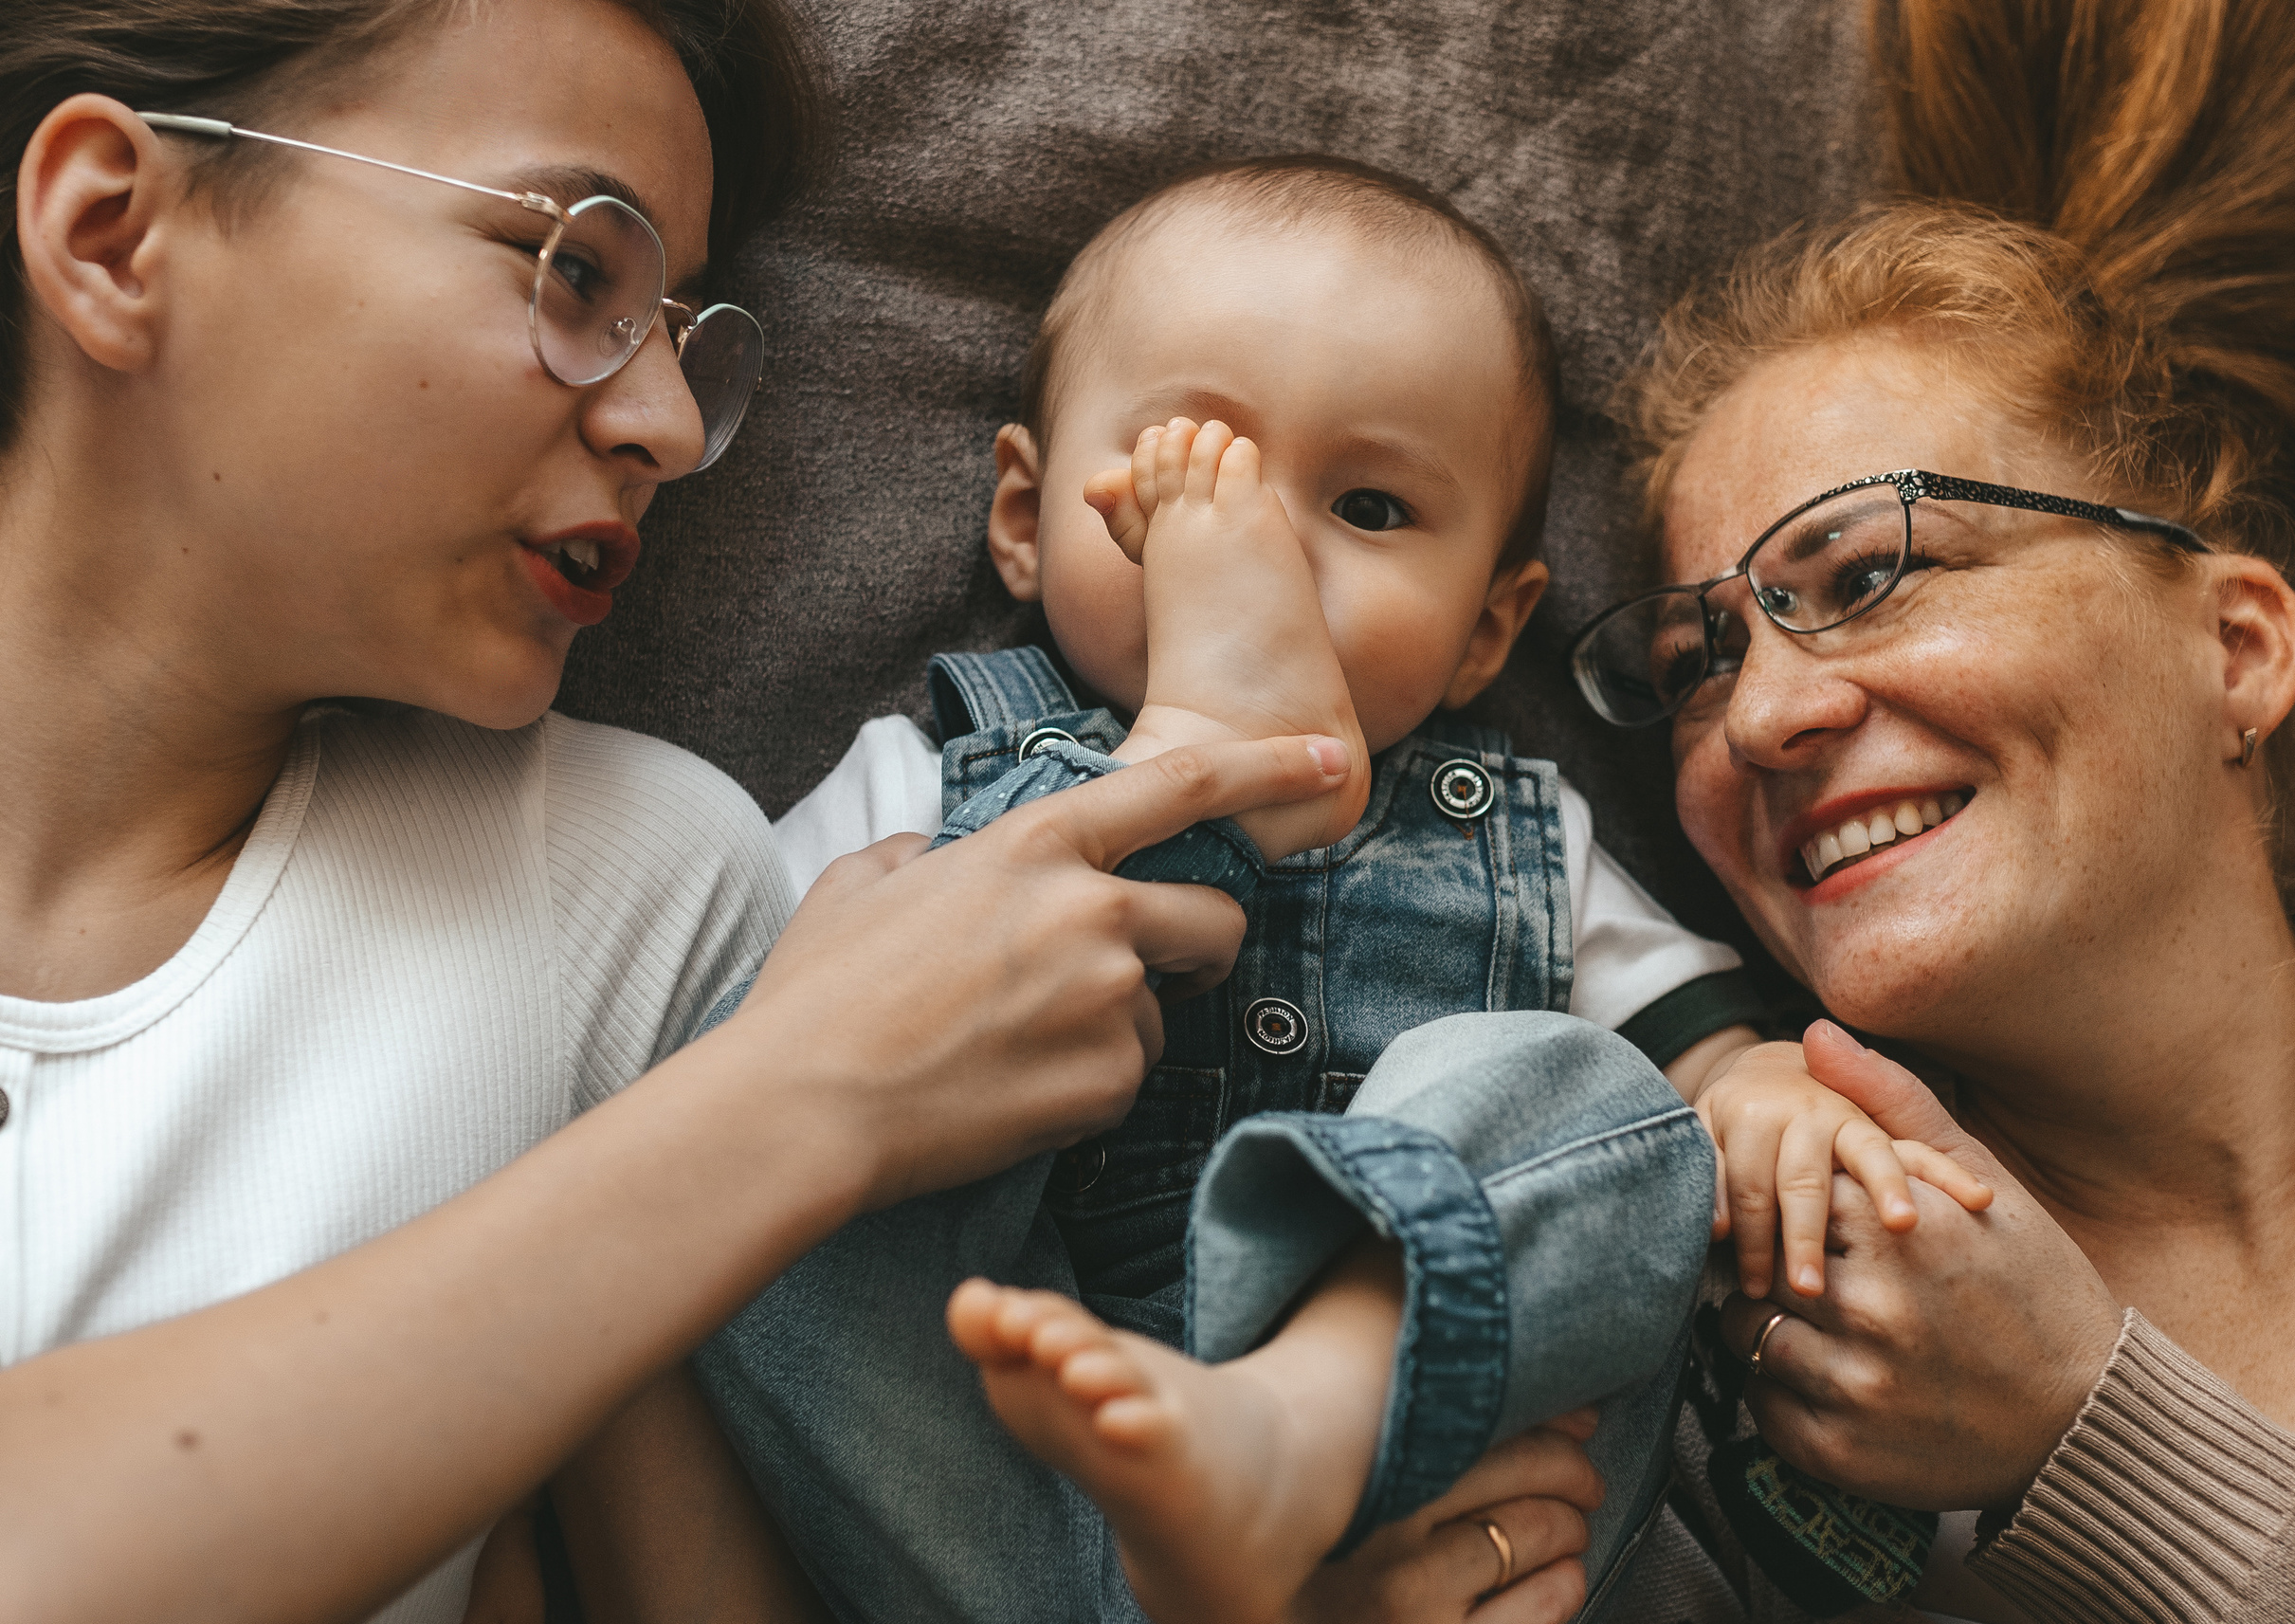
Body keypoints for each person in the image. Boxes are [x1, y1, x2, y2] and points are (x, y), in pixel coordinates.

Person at [0, 1, 1412, 1618]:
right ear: (112, 233)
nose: (667, 425)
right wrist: (803, 1092)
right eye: (574, 268)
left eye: (680, 325)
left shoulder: (635, 889)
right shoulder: (802, 1033)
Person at [698, 156, 1986, 1624]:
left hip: (1416, 1491)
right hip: (979, 1487)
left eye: (1368, 505)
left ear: (1489, 630)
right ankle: (1195, 753)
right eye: (1197, 469)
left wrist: (1753, 1085)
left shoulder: (1519, 832)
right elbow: (726, 1067)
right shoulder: (920, 778)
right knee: (771, 1125)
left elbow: (1673, 1053)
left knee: (1581, 1091)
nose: (1278, 544)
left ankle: (1290, 1428)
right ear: (1022, 512)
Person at [1367, 0, 2295, 1616]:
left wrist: (2094, 1432)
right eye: (1694, 662)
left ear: (2237, 646)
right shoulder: (1724, 1320)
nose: (1766, 716)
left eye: (1867, 573)